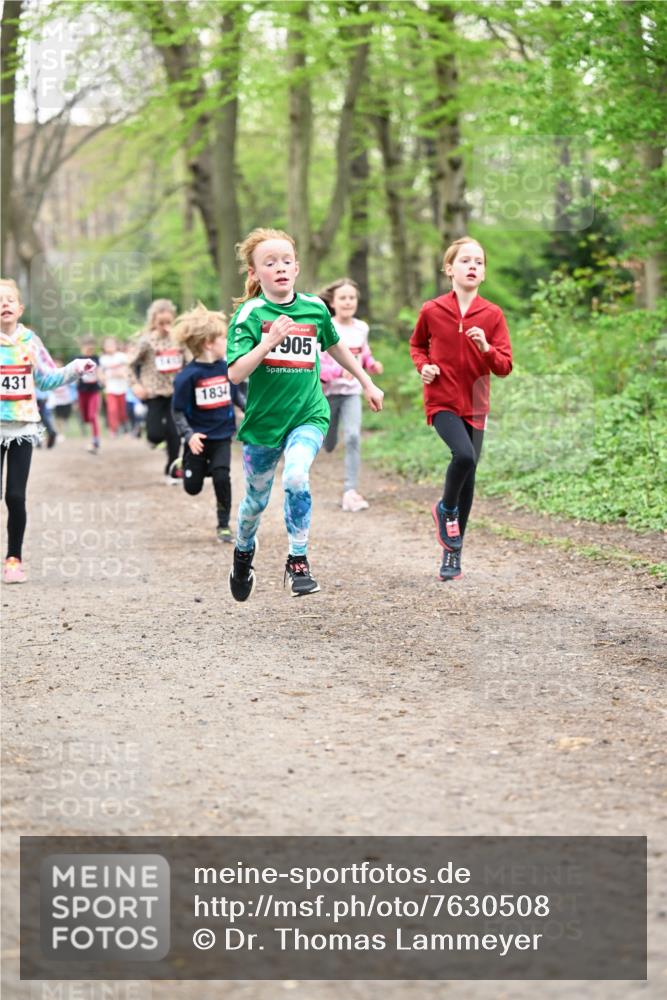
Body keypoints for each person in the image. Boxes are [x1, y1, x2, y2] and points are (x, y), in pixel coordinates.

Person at [226, 227, 384, 601]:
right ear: (254, 273)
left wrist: (366, 382)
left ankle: (298, 560)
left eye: (286, 261)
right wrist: (267, 343)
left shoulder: (314, 308)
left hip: (308, 415)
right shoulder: (249, 314)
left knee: (296, 477)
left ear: (296, 268)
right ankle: (243, 552)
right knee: (254, 502)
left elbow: (337, 347)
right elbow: (235, 373)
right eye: (269, 263)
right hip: (265, 423)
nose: (279, 268)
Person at [409, 237, 512, 581]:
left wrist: (485, 346)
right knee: (464, 457)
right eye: (465, 260)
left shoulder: (493, 315)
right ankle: (445, 508)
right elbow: (417, 345)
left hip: (476, 403)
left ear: (483, 273)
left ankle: (452, 554)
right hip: (442, 400)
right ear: (449, 269)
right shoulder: (432, 310)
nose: (473, 266)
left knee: (469, 478)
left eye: (479, 262)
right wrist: (423, 366)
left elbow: (504, 366)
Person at [0, 278, 95, 583]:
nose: (4, 305)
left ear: (20, 307)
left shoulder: (30, 342)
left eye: (9, 300)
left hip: (23, 429)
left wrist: (75, 369)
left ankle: (14, 559)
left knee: (15, 496)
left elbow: (47, 379)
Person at [171, 304, 246, 543]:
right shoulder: (187, 376)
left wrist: (254, 412)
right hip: (197, 439)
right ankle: (185, 463)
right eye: (224, 338)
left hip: (223, 435)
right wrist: (189, 435)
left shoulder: (227, 368)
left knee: (222, 476)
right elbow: (178, 410)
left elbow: (237, 397)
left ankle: (223, 525)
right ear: (208, 343)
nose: (228, 342)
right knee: (192, 487)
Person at [319, 277, 384, 511]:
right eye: (343, 298)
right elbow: (318, 364)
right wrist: (339, 371)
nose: (348, 302)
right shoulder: (326, 326)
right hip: (327, 394)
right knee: (328, 442)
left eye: (352, 297)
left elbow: (363, 353)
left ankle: (350, 489)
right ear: (333, 303)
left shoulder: (361, 328)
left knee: (354, 436)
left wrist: (372, 364)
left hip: (352, 394)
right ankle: (328, 440)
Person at [126, 299, 183, 483]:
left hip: (174, 391)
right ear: (154, 322)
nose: (166, 327)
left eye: (169, 322)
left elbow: (190, 360)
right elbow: (130, 365)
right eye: (161, 323)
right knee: (155, 434)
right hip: (153, 393)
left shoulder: (179, 339)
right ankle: (153, 435)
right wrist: (136, 385)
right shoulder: (146, 341)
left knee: (174, 432)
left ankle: (172, 470)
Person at [99, 336, 129, 436]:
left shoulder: (122, 356)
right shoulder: (103, 359)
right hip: (110, 388)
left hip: (122, 388)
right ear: (104, 347)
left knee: (122, 411)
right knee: (112, 410)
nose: (110, 347)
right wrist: (102, 378)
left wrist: (123, 374)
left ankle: (124, 426)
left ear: (116, 346)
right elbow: (100, 372)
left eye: (112, 345)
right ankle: (113, 430)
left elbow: (128, 369)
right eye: (107, 345)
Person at [77, 335, 102, 454]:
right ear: (82, 347)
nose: (89, 349)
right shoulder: (78, 359)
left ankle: (96, 440)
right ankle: (94, 439)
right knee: (86, 418)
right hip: (82, 391)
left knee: (93, 416)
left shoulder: (96, 359)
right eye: (86, 347)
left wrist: (103, 379)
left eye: (91, 347)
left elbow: (100, 371)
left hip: (94, 391)